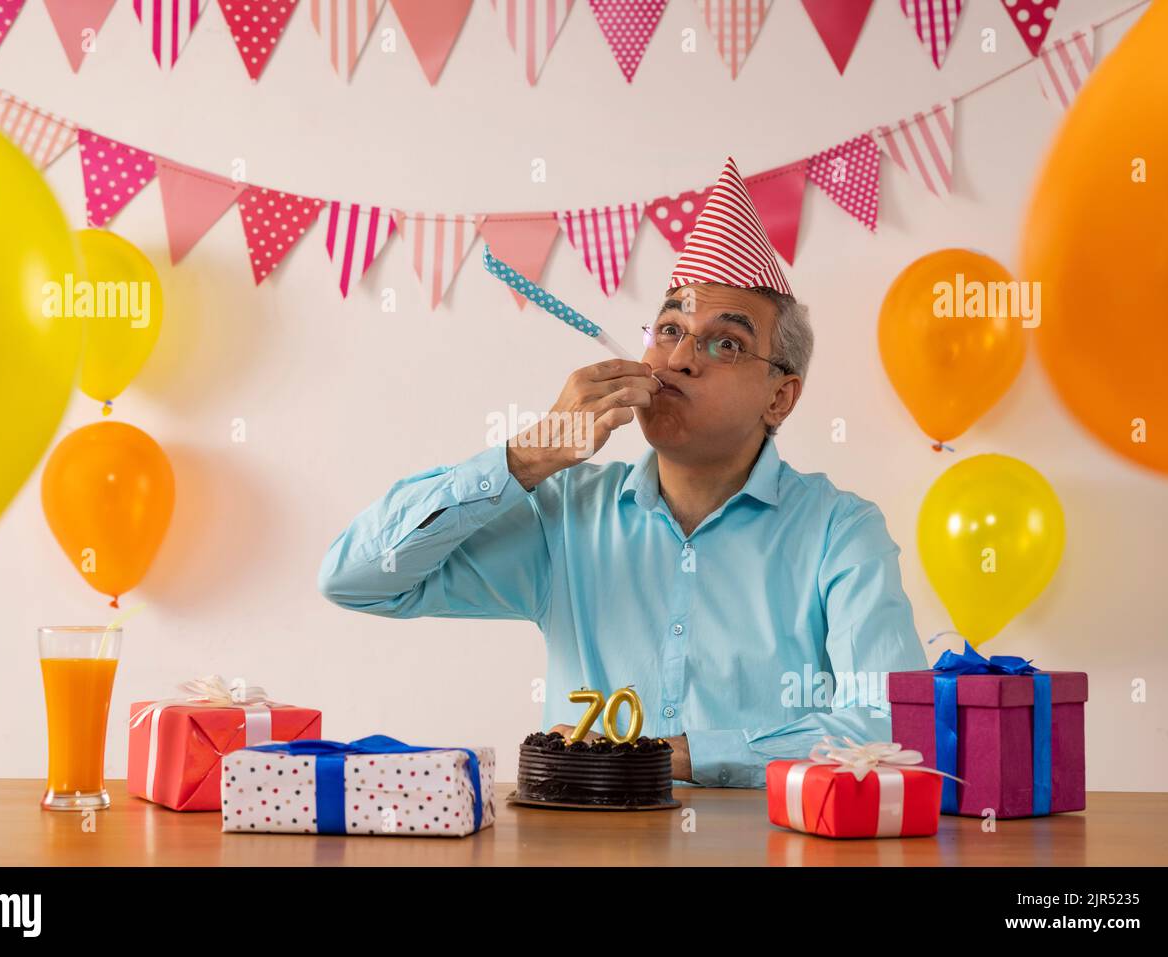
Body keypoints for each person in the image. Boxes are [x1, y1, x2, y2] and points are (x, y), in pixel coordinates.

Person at [318, 157, 927, 787]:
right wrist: (528, 456)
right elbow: (356, 580)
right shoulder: (565, 514)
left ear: (780, 398)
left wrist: (667, 755)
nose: (680, 359)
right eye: (669, 329)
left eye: (726, 343)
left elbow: (891, 725)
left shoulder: (838, 531)